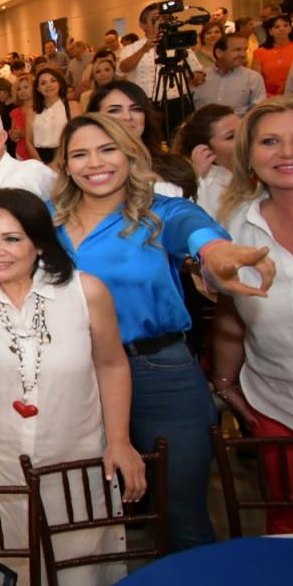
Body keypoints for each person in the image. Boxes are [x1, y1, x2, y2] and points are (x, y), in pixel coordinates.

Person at [48, 113, 275, 551]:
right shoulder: (47, 220)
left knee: (181, 514)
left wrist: (215, 251)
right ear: (66, 165)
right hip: (74, 376)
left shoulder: (161, 211)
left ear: (131, 154)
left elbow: (197, 232)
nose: (95, 163)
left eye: (108, 149)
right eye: (80, 154)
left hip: (159, 374)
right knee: (84, 510)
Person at [0, 189, 145, 586]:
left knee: (75, 548)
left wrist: (120, 441)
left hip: (72, 452)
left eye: (11, 238)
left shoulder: (85, 292)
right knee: (1, 549)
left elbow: (111, 364)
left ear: (38, 242)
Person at [211, 96, 293, 534]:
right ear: (250, 156)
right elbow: (231, 314)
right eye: (270, 141)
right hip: (281, 409)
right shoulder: (234, 228)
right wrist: (224, 383)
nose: (288, 152)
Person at [88, 80, 196, 198]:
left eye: (136, 109)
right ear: (95, 118)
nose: (127, 117)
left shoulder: (174, 165)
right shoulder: (90, 170)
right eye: (114, 110)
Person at [118, 2, 206, 137]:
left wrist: (196, 77)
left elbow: (197, 74)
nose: (161, 22)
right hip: (148, 105)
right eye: (155, 19)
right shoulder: (131, 48)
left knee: (182, 139)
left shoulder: (178, 44)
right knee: (153, 142)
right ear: (142, 25)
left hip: (179, 103)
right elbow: (123, 68)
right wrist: (144, 49)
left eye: (164, 18)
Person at [174, 104, 239, 218]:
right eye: (231, 137)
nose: (244, 139)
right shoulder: (211, 185)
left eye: (244, 131)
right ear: (205, 150)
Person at [191, 33, 265, 116]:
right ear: (219, 53)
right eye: (237, 50)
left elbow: (258, 113)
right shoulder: (199, 78)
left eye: (245, 50)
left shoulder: (253, 79)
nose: (243, 54)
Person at [26, 66, 80, 164]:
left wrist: (60, 162)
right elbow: (28, 141)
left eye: (53, 81)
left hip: (65, 158)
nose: (49, 85)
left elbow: (79, 136)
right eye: (43, 83)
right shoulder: (32, 110)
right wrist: (41, 165)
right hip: (40, 159)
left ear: (60, 83)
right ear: (38, 88)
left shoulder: (72, 106)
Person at [254, 13, 293, 96]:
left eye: (285, 25)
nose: (282, 29)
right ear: (270, 32)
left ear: (290, 28)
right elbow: (256, 81)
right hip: (270, 97)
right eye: (277, 27)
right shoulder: (259, 52)